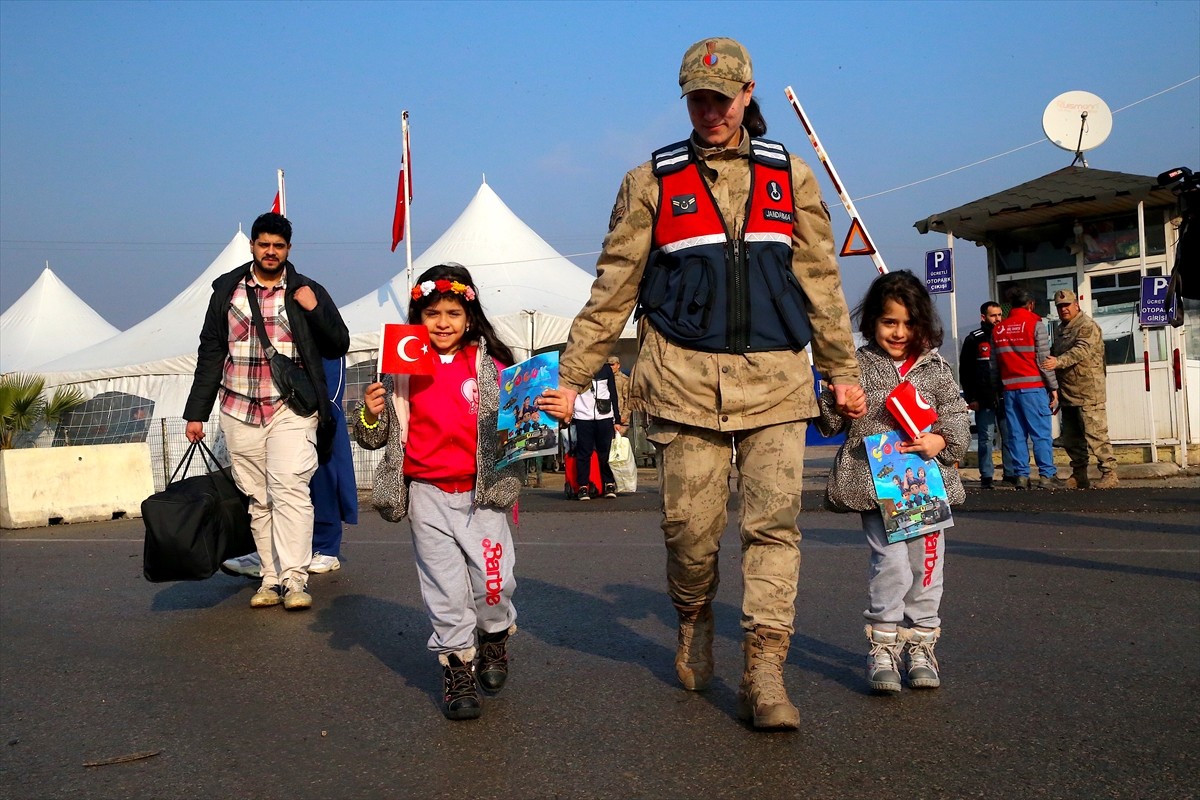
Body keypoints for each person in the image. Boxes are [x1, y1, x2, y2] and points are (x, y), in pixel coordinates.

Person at [536, 37, 866, 731]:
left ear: (749, 94)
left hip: (777, 381)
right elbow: (612, 289)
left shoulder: (791, 178)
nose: (710, 108)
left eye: (722, 95)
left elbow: (822, 285)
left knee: (774, 527)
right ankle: (692, 619)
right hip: (683, 383)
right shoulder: (649, 181)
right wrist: (570, 377)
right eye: (698, 97)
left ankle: (765, 672)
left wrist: (843, 371)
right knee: (690, 533)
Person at [354, 263, 522, 721]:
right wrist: (371, 412)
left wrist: (539, 411)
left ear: (469, 316)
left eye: (452, 312)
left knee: (494, 585)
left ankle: (493, 638)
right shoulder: (401, 368)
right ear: (418, 316)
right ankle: (457, 667)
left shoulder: (493, 365)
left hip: (481, 494)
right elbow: (372, 437)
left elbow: (519, 425)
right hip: (426, 493)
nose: (443, 322)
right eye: (432, 313)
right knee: (445, 591)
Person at [183, 212, 349, 610]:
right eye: (264, 244)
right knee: (259, 498)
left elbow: (338, 343)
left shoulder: (307, 289)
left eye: (278, 246)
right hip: (238, 407)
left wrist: (315, 310)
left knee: (290, 488)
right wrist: (196, 413)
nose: (270, 251)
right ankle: (270, 579)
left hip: (290, 409)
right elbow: (211, 352)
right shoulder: (226, 290)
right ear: (253, 246)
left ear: (288, 249)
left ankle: (294, 580)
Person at [816, 270, 969, 693]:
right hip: (876, 484)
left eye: (908, 323)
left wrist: (941, 439)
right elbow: (827, 422)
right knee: (892, 565)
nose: (899, 332)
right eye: (889, 322)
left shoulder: (936, 368)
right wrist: (840, 403)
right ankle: (883, 646)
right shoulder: (856, 366)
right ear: (872, 323)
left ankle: (920, 644)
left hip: (926, 488)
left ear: (922, 323)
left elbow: (956, 416)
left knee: (927, 569)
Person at [221, 356, 358, 579]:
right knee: (270, 482)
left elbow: (334, 350)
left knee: (322, 477)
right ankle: (270, 552)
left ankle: (325, 547)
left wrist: (326, 409)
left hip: (312, 402)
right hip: (275, 401)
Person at [1041, 289, 1119, 489]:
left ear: (1076, 305)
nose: (1064, 309)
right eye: (1060, 306)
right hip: (1068, 392)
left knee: (1096, 434)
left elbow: (1081, 350)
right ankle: (1079, 474)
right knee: (1072, 438)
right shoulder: (1061, 329)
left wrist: (1058, 362)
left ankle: (1109, 472)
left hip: (1088, 392)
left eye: (1067, 305)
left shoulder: (1087, 326)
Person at [992, 286, 1058, 490]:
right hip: (1033, 388)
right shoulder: (1035, 324)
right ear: (1031, 305)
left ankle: (1022, 476)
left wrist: (998, 388)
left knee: (1016, 435)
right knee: (1041, 434)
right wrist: (1053, 387)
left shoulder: (998, 329)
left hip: (1009, 390)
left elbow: (994, 365)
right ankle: (1046, 475)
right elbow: (1043, 359)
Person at [959, 301, 1008, 488]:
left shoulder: (1004, 337)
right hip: (983, 398)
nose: (997, 319)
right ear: (983, 317)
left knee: (1009, 435)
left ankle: (1010, 474)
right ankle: (986, 476)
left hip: (1004, 396)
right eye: (993, 316)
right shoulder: (974, 339)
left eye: (999, 315)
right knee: (986, 437)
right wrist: (971, 398)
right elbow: (966, 372)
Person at [570, 362, 621, 500]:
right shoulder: (576, 368)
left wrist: (617, 419)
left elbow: (613, 393)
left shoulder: (605, 369)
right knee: (584, 452)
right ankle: (582, 486)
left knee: (605, 452)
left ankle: (609, 483)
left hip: (604, 415)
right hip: (582, 416)